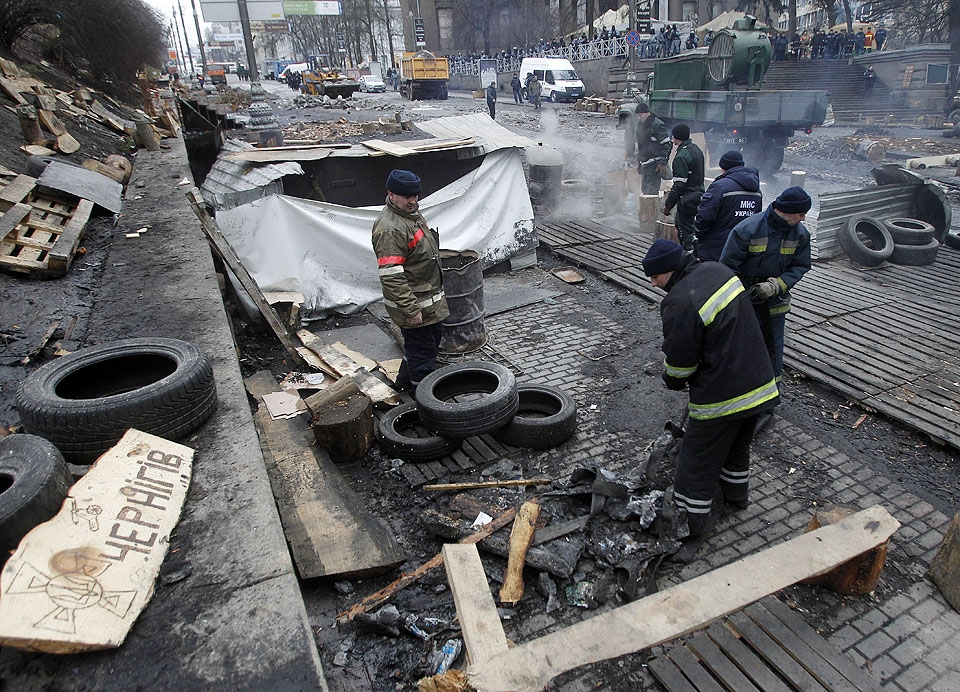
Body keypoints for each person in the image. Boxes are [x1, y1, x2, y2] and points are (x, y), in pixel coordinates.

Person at [642, 239, 779, 548]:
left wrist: (672, 379)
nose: (653, 283)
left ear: (672, 269)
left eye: (656, 276)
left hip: (724, 395)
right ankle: (736, 498)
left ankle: (688, 531)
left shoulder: (679, 300)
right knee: (736, 449)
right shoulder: (718, 271)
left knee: (694, 465)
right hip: (759, 384)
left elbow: (680, 362)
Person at [719, 186, 812, 381]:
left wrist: (776, 286)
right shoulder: (747, 229)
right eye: (801, 214)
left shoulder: (801, 235)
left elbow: (800, 265)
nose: (803, 219)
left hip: (775, 304)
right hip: (745, 300)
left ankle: (771, 395)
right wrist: (740, 295)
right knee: (740, 345)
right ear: (788, 211)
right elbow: (726, 268)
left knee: (773, 348)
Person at [371, 170, 449, 393]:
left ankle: (403, 384)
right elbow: (391, 276)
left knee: (425, 347)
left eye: (416, 196)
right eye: (407, 197)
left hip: (428, 303)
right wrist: (410, 309)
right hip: (415, 307)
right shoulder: (390, 228)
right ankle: (422, 399)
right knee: (422, 354)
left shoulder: (410, 215)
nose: (413, 201)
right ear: (391, 194)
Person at [694, 150, 762, 261]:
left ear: (723, 167)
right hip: (742, 247)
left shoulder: (720, 186)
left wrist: (699, 233)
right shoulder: (757, 191)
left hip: (715, 247)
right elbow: (757, 219)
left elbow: (705, 216)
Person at [662, 123, 704, 252]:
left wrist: (668, 205)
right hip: (699, 194)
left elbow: (679, 186)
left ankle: (689, 257)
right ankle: (695, 250)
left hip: (687, 198)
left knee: (683, 228)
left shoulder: (681, 157)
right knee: (691, 226)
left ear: (676, 137)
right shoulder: (695, 149)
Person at [633, 102, 672, 196]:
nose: (639, 118)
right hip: (645, 164)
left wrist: (663, 163)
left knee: (651, 192)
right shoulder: (641, 125)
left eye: (640, 115)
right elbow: (641, 146)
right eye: (638, 116)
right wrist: (639, 162)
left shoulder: (657, 125)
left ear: (647, 113)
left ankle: (652, 210)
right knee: (645, 190)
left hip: (655, 165)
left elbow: (667, 145)